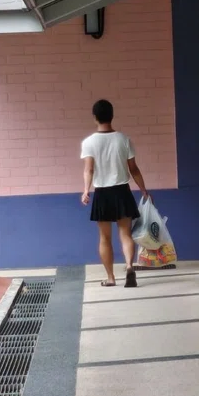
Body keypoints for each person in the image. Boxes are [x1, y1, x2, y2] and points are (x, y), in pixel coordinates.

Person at [79, 99, 149, 287]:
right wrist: (143, 189)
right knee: (125, 234)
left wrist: (86, 190)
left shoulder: (89, 142)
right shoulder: (123, 139)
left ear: (95, 117)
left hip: (102, 193)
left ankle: (110, 278)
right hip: (122, 191)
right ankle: (129, 267)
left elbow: (89, 170)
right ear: (112, 115)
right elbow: (134, 169)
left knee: (105, 238)